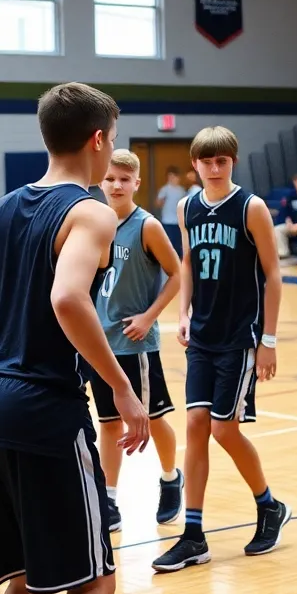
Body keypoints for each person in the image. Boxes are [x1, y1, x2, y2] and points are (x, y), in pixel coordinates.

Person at [0, 82, 151, 594]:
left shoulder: (1, 207)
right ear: (99, 138)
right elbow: (68, 299)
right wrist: (123, 387)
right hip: (41, 411)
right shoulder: (92, 213)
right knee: (95, 582)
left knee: (24, 582)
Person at [152, 126, 290, 572]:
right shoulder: (186, 206)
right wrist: (184, 312)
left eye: (222, 161)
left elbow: (273, 274)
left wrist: (268, 340)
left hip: (240, 336)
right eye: (206, 161)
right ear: (195, 164)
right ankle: (193, 535)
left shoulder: (251, 208)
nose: (214, 168)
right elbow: (188, 261)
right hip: (204, 336)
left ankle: (269, 505)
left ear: (232, 162)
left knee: (222, 429)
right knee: (195, 424)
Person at [83, 150, 184, 531]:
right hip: (100, 341)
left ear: (137, 183)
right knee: (108, 424)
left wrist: (149, 316)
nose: (116, 185)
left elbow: (176, 273)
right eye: (110, 178)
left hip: (135, 342)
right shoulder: (93, 222)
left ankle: (171, 477)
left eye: (124, 179)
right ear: (101, 182)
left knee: (153, 419)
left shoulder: (147, 226)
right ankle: (109, 499)